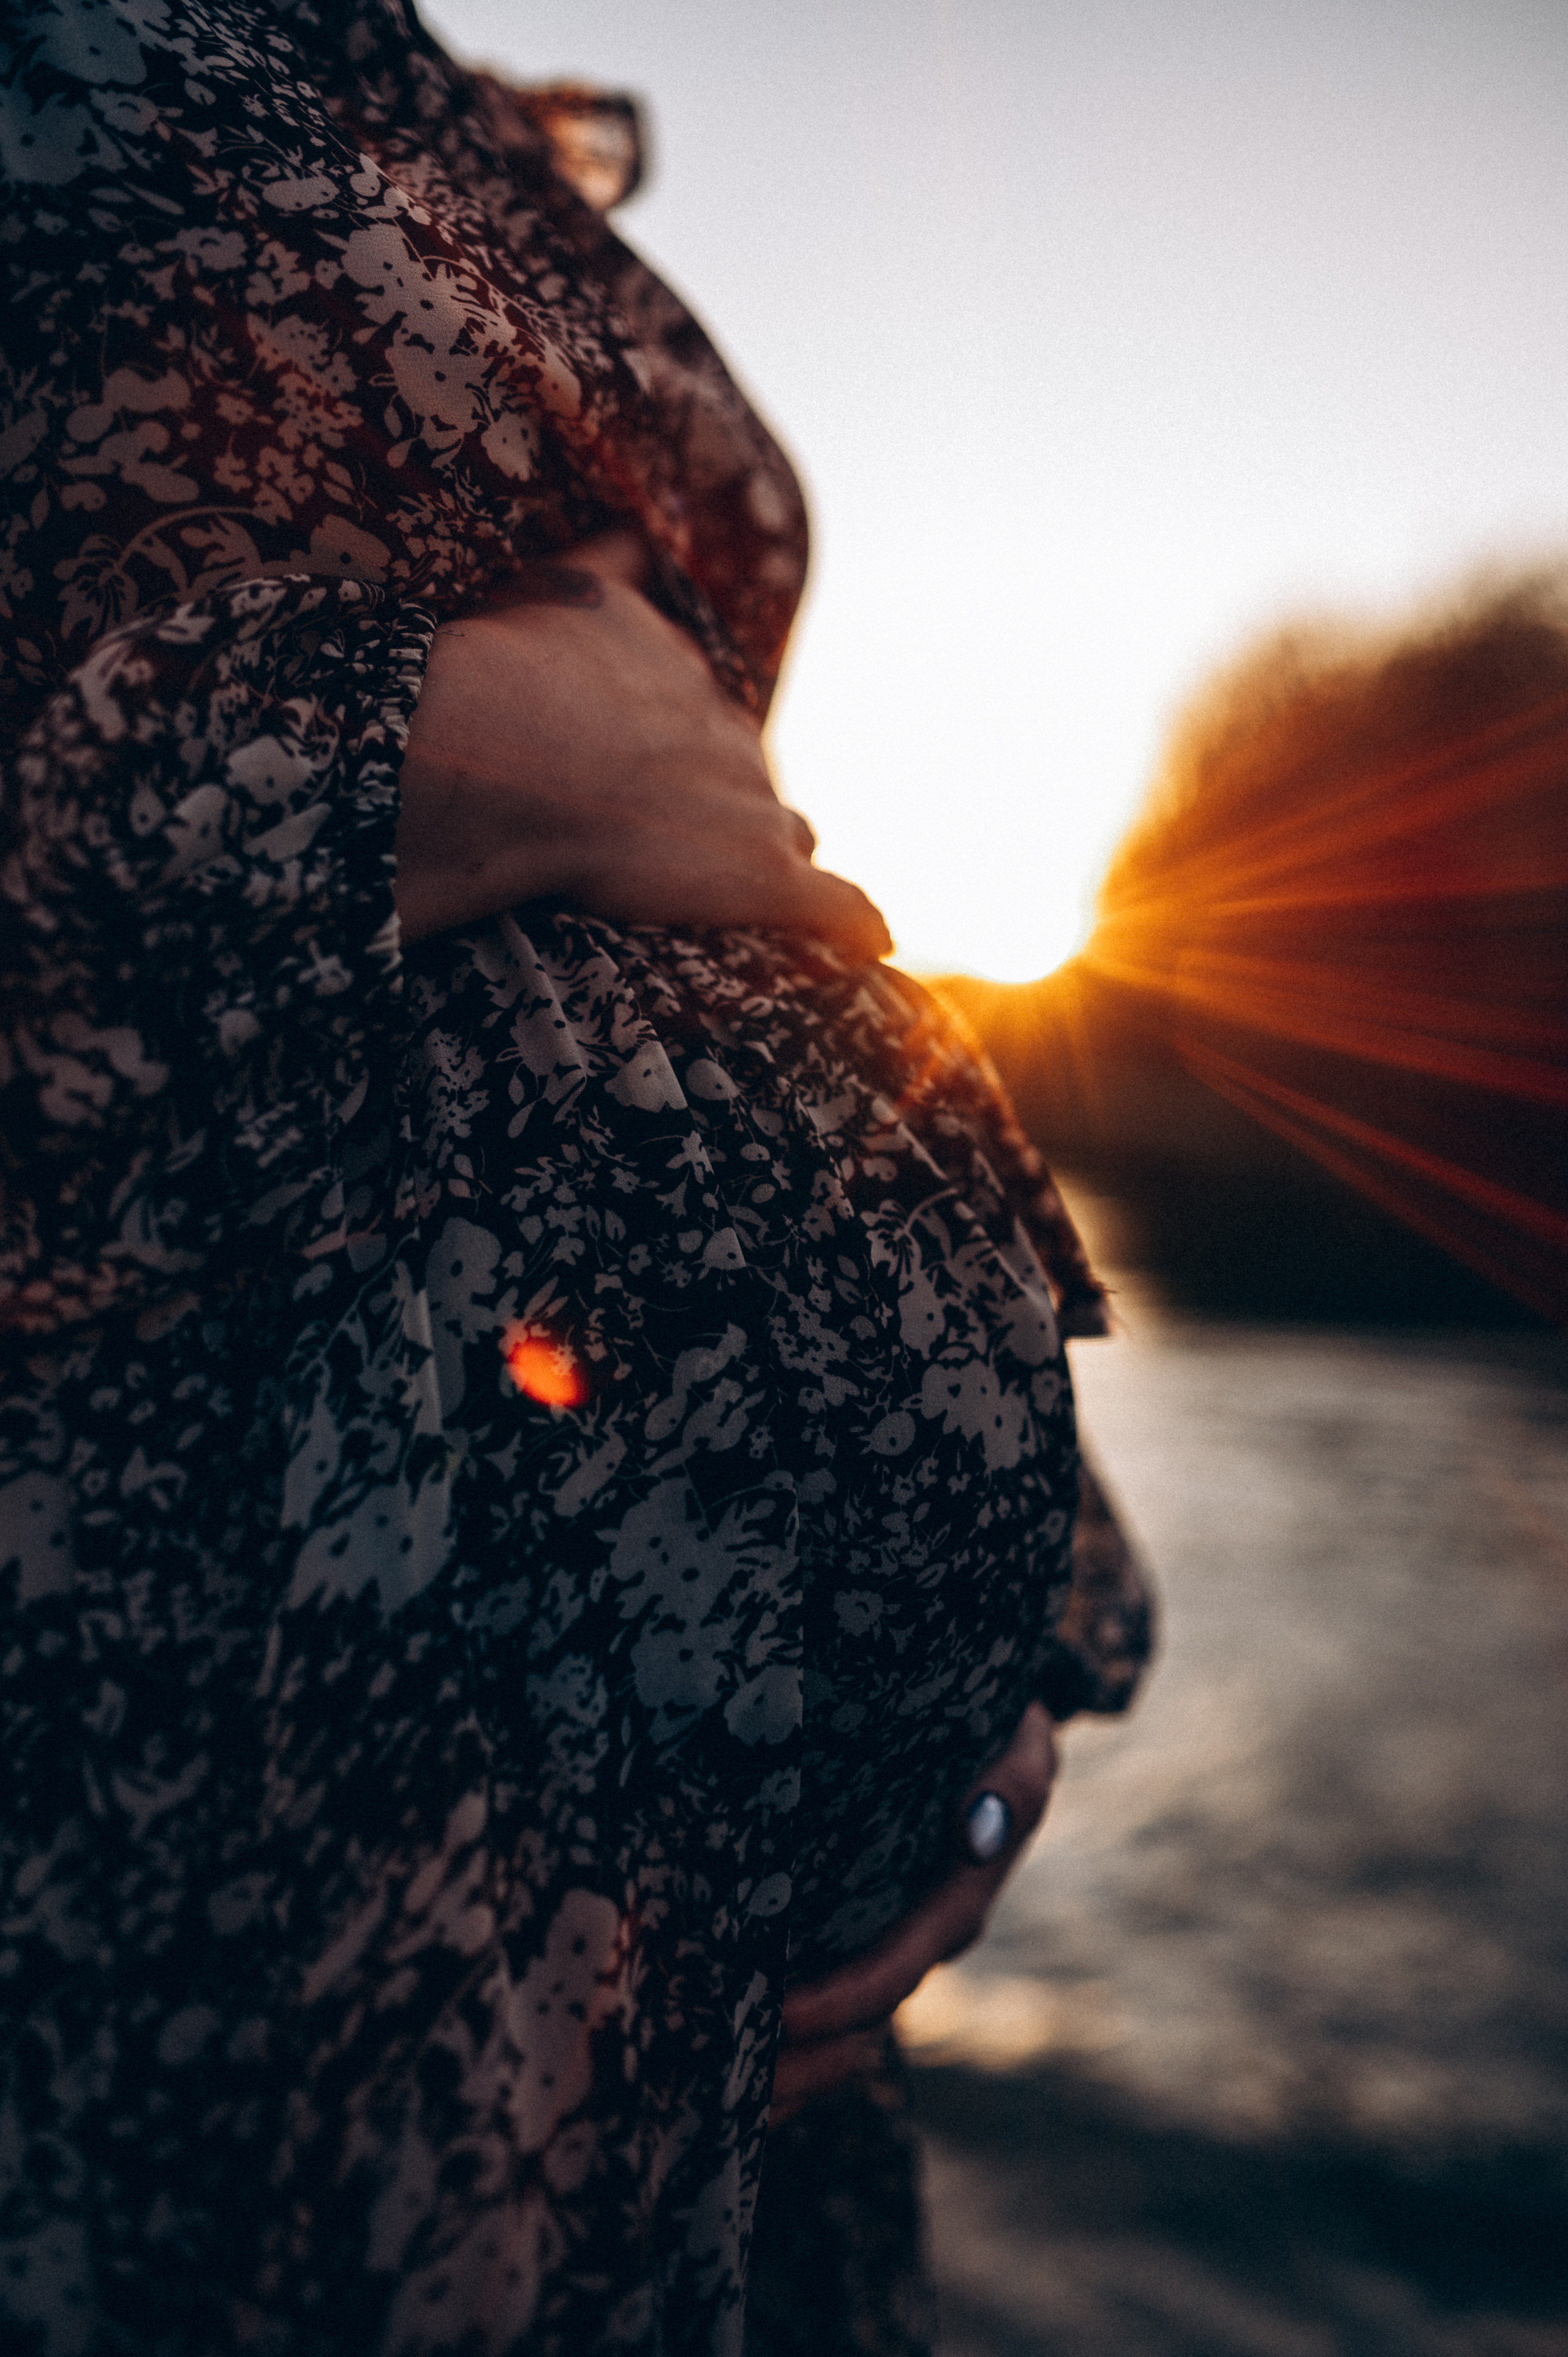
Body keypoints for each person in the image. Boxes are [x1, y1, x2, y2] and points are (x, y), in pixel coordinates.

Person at [0, 4, 1148, 2348]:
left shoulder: (420, 92)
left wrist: (971, 1697)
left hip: (705, 1978)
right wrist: (412, 766)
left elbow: (704, 958)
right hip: (204, 1796)